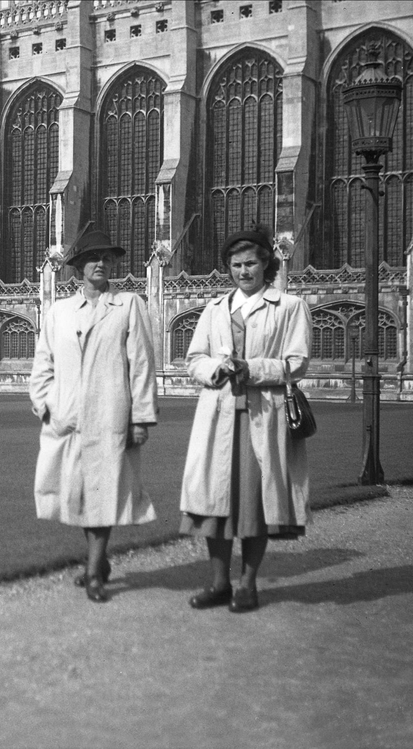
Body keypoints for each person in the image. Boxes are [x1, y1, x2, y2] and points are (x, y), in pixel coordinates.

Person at [179, 225, 312, 613]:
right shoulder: (215, 308)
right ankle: (219, 583)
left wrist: (249, 367)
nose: (243, 271)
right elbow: (194, 358)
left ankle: (247, 584)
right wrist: (214, 370)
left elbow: (297, 362)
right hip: (218, 415)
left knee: (256, 503)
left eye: (251, 263)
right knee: (213, 504)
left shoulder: (289, 307)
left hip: (263, 415)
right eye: (236, 265)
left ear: (266, 263)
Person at [29, 230, 158, 603]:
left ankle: (93, 571)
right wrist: (46, 406)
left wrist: (141, 417)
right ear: (78, 268)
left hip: (110, 414)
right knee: (79, 495)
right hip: (67, 418)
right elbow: (43, 364)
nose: (100, 263)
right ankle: (98, 563)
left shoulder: (129, 304)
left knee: (103, 493)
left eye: (105, 258)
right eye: (92, 258)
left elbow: (142, 364)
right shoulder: (59, 311)